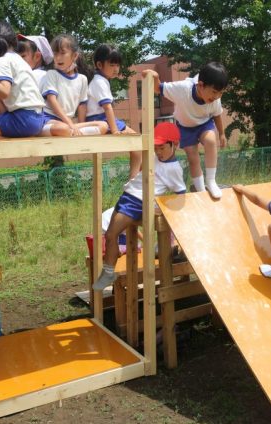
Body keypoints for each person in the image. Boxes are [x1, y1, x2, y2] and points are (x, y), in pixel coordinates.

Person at [93, 122, 186, 290]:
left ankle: (108, 274)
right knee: (110, 235)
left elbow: (181, 196)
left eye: (162, 148)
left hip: (137, 202)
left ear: (175, 145)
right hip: (128, 196)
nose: (158, 152)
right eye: (156, 147)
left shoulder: (174, 169)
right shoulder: (155, 157)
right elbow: (141, 161)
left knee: (111, 234)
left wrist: (161, 207)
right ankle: (108, 272)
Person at [142, 62, 228, 199]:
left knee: (211, 141)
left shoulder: (215, 99)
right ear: (200, 85)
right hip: (185, 127)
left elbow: (217, 114)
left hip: (204, 123)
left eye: (221, 93)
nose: (217, 97)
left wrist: (222, 133)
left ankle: (211, 181)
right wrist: (156, 76)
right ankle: (200, 190)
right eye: (214, 92)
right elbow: (158, 88)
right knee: (193, 158)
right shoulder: (183, 89)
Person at [87, 44, 140, 179]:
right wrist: (115, 130)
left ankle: (133, 181)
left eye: (117, 65)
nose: (116, 69)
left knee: (138, 146)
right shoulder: (99, 81)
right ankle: (132, 182)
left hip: (98, 118)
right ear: (99, 64)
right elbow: (107, 107)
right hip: (99, 119)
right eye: (112, 65)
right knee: (138, 144)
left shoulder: (99, 80)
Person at [39, 34, 108, 137]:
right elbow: (52, 100)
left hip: (67, 123)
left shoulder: (82, 79)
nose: (58, 57)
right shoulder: (51, 74)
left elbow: (82, 105)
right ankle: (70, 132)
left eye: (63, 53)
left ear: (75, 56)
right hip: (49, 120)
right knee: (63, 128)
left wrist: (79, 125)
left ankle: (74, 134)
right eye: (55, 53)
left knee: (103, 125)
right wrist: (70, 124)